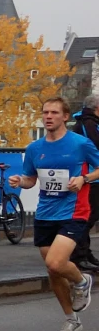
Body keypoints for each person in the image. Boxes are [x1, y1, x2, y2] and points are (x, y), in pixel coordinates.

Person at [11, 97, 99, 331]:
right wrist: (21, 181)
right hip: (45, 213)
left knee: (55, 263)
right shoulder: (34, 148)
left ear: (65, 117)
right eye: (45, 112)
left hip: (74, 211)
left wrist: (84, 179)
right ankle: (72, 319)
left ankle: (82, 282)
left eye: (53, 112)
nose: (48, 116)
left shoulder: (80, 144)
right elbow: (30, 180)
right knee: (54, 272)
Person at [70, 93, 99, 272]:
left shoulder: (89, 123)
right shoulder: (88, 124)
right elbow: (94, 147)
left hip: (92, 176)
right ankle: (78, 256)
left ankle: (84, 253)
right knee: (88, 217)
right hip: (90, 177)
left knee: (91, 216)